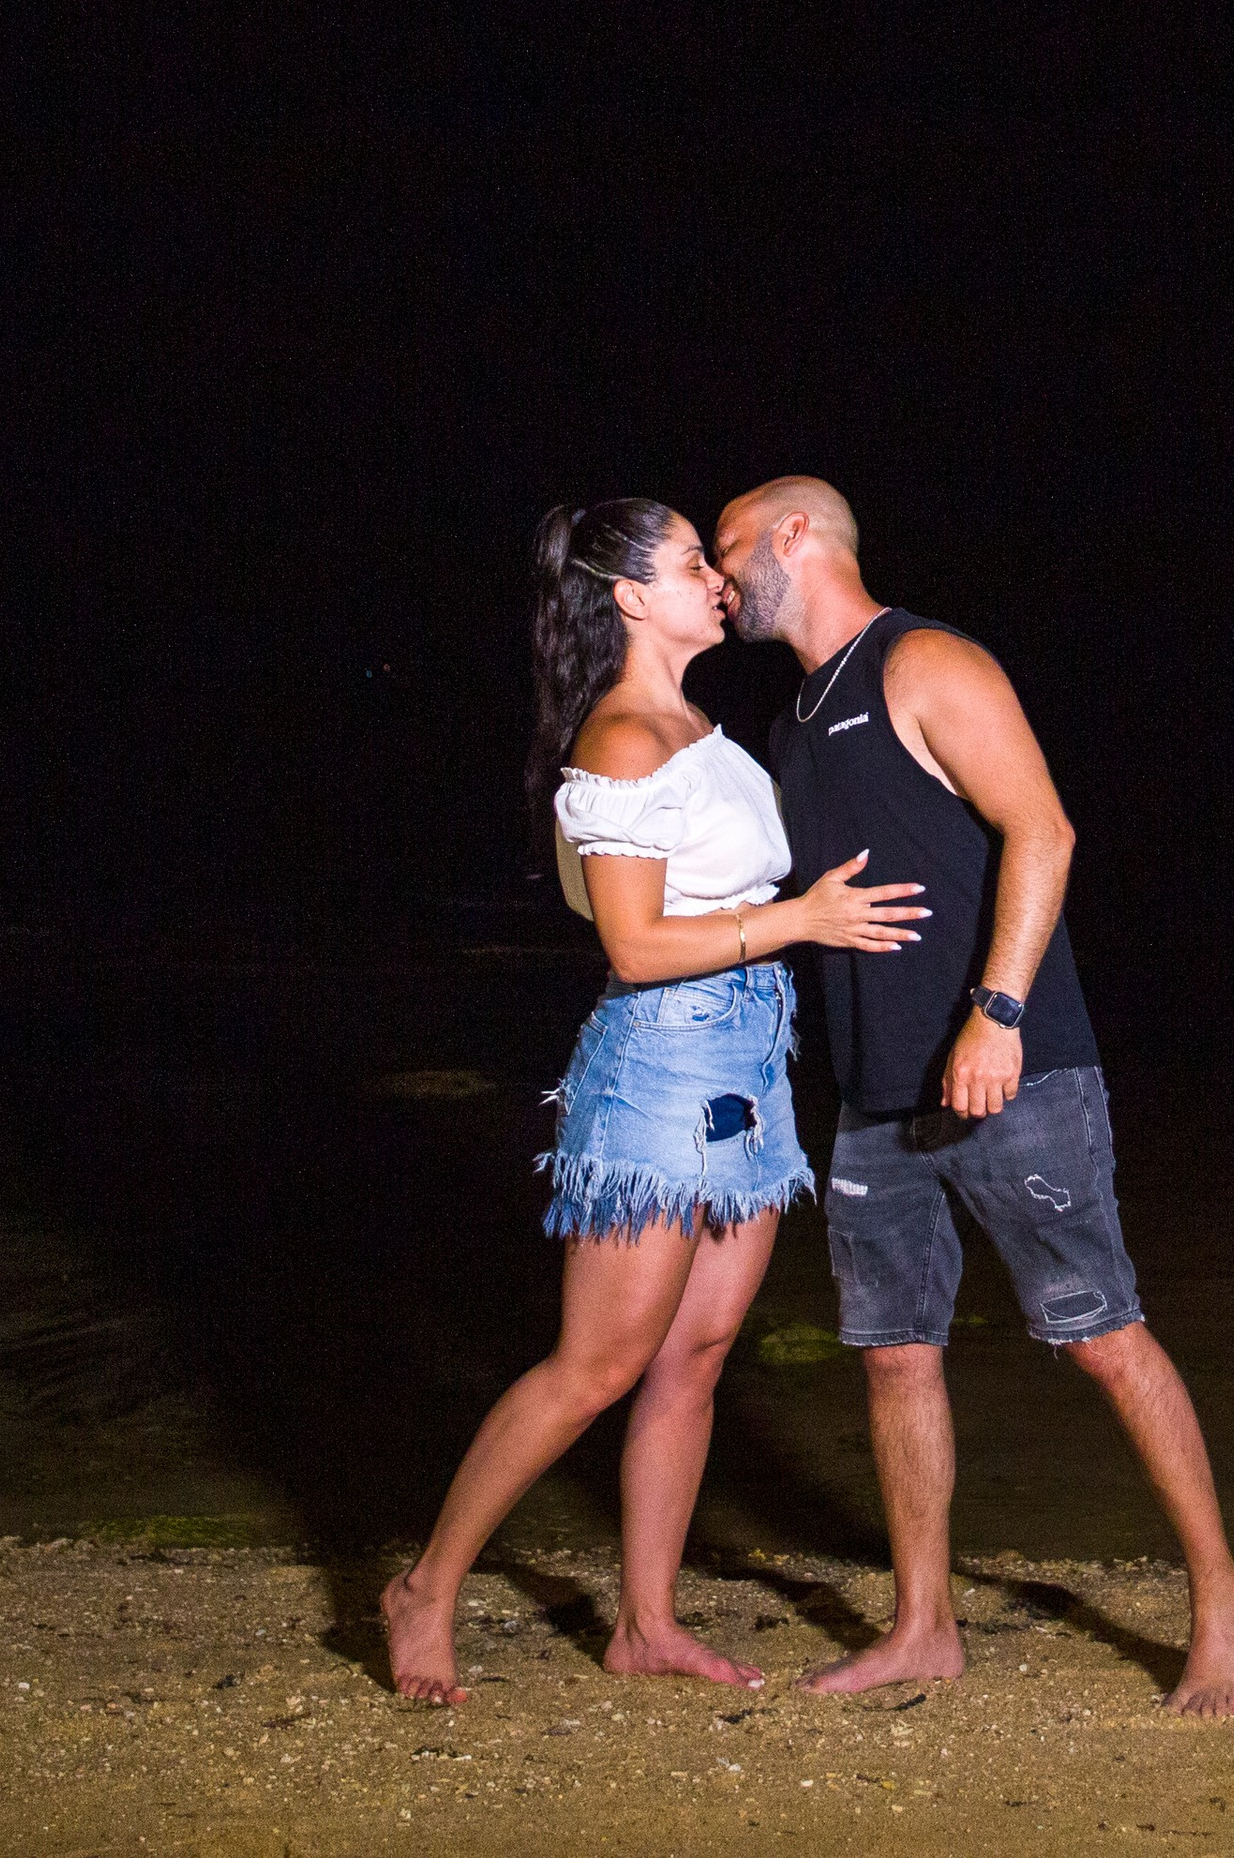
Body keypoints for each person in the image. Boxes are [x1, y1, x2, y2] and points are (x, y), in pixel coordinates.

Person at [712, 476, 1234, 1719]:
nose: (717, 565)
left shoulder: (926, 661)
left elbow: (1046, 830)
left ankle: (1222, 1598)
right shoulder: (794, 716)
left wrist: (998, 1011)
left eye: (730, 541)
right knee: (895, 1360)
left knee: (1099, 1335)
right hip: (872, 1099)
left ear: (797, 534)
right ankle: (922, 1626)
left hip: (1011, 1071)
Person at [381, 497, 929, 1705]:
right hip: (661, 1066)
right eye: (691, 564)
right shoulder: (624, 736)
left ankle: (645, 1621)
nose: (717, 581)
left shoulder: (699, 722)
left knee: (698, 1355)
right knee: (596, 1363)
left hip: (749, 1062)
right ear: (629, 597)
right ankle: (425, 1586)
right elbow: (631, 946)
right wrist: (799, 918)